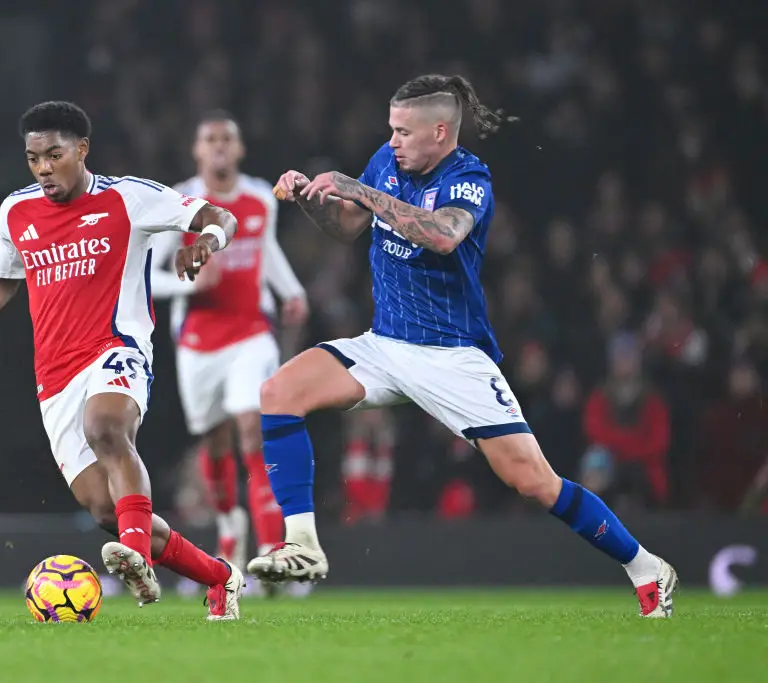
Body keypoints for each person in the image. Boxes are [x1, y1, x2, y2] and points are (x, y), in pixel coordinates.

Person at [247, 75, 679, 618]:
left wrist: (356, 188)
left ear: (440, 132)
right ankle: (303, 544)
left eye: (404, 131)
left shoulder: (468, 177)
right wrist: (313, 202)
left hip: (451, 356)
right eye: (391, 129)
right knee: (279, 392)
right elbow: (347, 227)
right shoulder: (387, 160)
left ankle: (646, 566)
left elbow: (443, 235)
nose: (393, 140)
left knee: (534, 482)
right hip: (385, 345)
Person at [0, 101, 244, 620]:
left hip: (116, 348)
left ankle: (136, 560)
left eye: (54, 155)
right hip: (55, 378)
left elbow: (220, 215)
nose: (43, 168)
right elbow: (2, 280)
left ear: (82, 149)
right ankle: (220, 577)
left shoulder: (129, 197)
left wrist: (206, 242)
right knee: (106, 510)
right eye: (34, 159)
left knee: (107, 428)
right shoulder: (16, 211)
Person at [150, 111, 308, 582]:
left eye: (227, 139)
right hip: (198, 343)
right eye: (210, 139)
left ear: (239, 149)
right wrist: (190, 285)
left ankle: (274, 551)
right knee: (216, 443)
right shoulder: (179, 204)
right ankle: (228, 530)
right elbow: (148, 276)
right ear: (197, 151)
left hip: (251, 333)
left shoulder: (260, 198)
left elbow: (264, 248)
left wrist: (291, 291)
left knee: (252, 430)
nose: (219, 146)